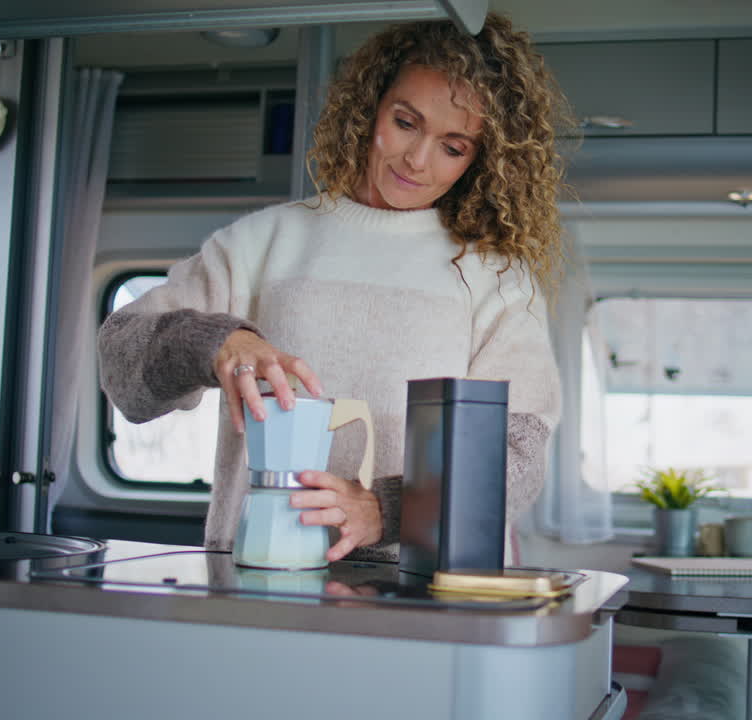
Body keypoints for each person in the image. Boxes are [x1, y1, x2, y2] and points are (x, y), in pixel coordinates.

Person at [97, 13, 567, 564]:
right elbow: (120, 363)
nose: (417, 159)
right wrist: (216, 343)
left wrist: (383, 510)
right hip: (260, 573)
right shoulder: (261, 242)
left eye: (453, 146)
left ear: (480, 160)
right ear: (371, 106)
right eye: (406, 122)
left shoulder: (497, 277)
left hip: (430, 592)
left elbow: (519, 455)